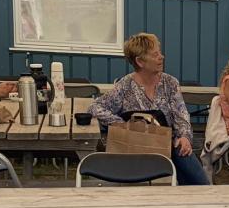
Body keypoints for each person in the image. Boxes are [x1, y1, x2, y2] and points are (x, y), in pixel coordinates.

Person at [87, 33, 210, 185]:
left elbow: (181, 115)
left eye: (160, 52)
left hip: (168, 146)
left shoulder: (170, 83)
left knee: (195, 173)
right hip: (136, 149)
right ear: (140, 61)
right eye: (155, 54)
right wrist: (124, 125)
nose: (162, 57)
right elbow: (95, 107)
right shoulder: (125, 86)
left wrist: (185, 137)